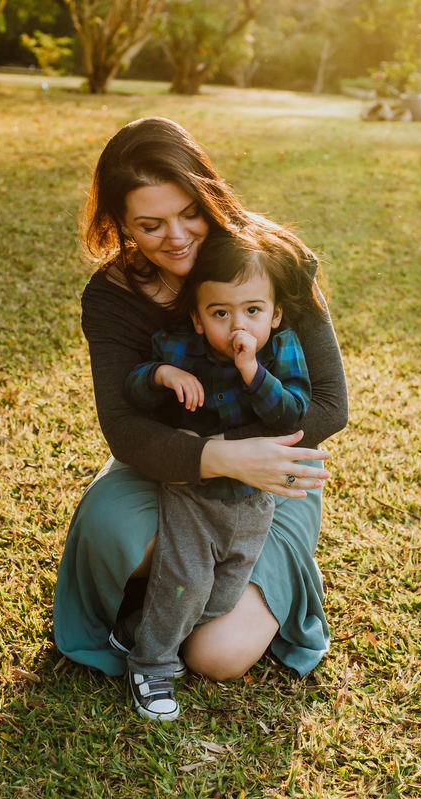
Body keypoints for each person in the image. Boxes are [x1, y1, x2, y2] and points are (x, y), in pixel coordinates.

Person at [52, 116, 348, 686]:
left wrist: (247, 457)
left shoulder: (275, 258)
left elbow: (331, 406)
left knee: (217, 656)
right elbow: (124, 429)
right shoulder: (112, 297)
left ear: (210, 195)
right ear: (120, 225)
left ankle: (222, 590)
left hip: (271, 471)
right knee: (116, 536)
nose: (178, 237)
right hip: (170, 464)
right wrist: (217, 456)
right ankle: (168, 594)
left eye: (190, 212)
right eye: (150, 225)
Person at [117, 230, 318, 721]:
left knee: (220, 594)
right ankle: (151, 665)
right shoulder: (180, 349)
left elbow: (292, 415)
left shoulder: (280, 351)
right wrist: (162, 374)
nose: (237, 326)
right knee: (186, 580)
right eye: (220, 313)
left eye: (253, 310)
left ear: (275, 314)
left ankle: (140, 628)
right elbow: (132, 392)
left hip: (254, 500)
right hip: (193, 493)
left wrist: (252, 371)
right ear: (198, 318)